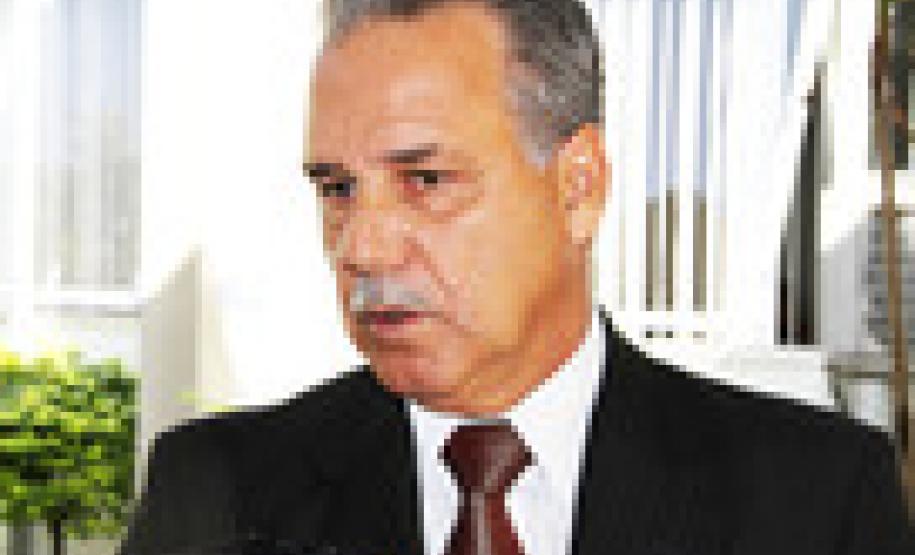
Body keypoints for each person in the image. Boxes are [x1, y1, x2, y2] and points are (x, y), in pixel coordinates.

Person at [119, 1, 912, 554]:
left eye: (426, 180)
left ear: (577, 186)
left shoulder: (816, 497)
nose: (362, 245)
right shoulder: (215, 491)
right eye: (337, 189)